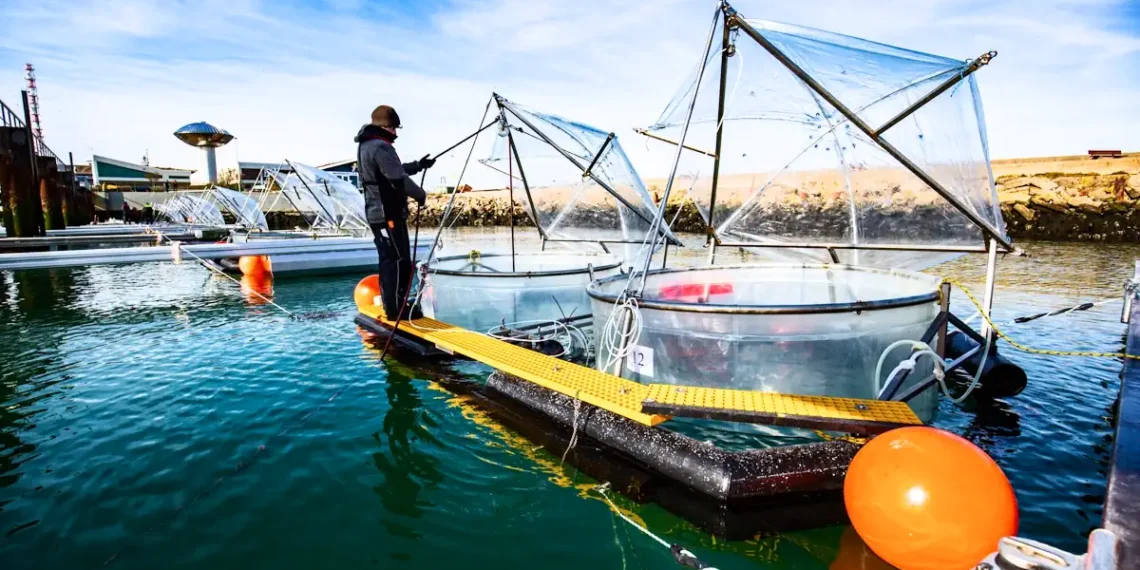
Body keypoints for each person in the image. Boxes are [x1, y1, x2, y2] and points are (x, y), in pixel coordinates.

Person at [355, 104, 434, 320]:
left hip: (375, 214)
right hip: (388, 213)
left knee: (388, 260)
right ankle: (397, 310)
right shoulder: (381, 147)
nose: (396, 133)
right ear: (385, 126)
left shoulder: (366, 145)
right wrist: (420, 195)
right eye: (393, 128)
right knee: (400, 261)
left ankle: (392, 305)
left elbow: (392, 169)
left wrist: (419, 165)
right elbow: (397, 178)